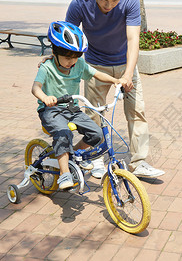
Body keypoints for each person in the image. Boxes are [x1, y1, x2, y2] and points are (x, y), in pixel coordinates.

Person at [65, 0, 164, 179]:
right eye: (103, 0)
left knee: (137, 111)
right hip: (95, 66)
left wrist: (128, 74)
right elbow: (67, 40)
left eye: (114, 0)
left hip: (125, 64)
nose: (109, 6)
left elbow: (133, 39)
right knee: (94, 114)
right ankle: (95, 159)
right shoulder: (79, 4)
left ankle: (139, 162)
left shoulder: (129, 1)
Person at [32, 21, 119, 189]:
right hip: (51, 110)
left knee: (96, 134)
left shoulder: (79, 65)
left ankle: (72, 155)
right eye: (67, 57)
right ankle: (64, 174)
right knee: (63, 133)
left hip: (71, 109)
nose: (72, 62)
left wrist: (115, 80)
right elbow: (36, 87)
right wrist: (45, 97)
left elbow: (96, 74)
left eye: (75, 57)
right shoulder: (47, 66)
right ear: (54, 52)